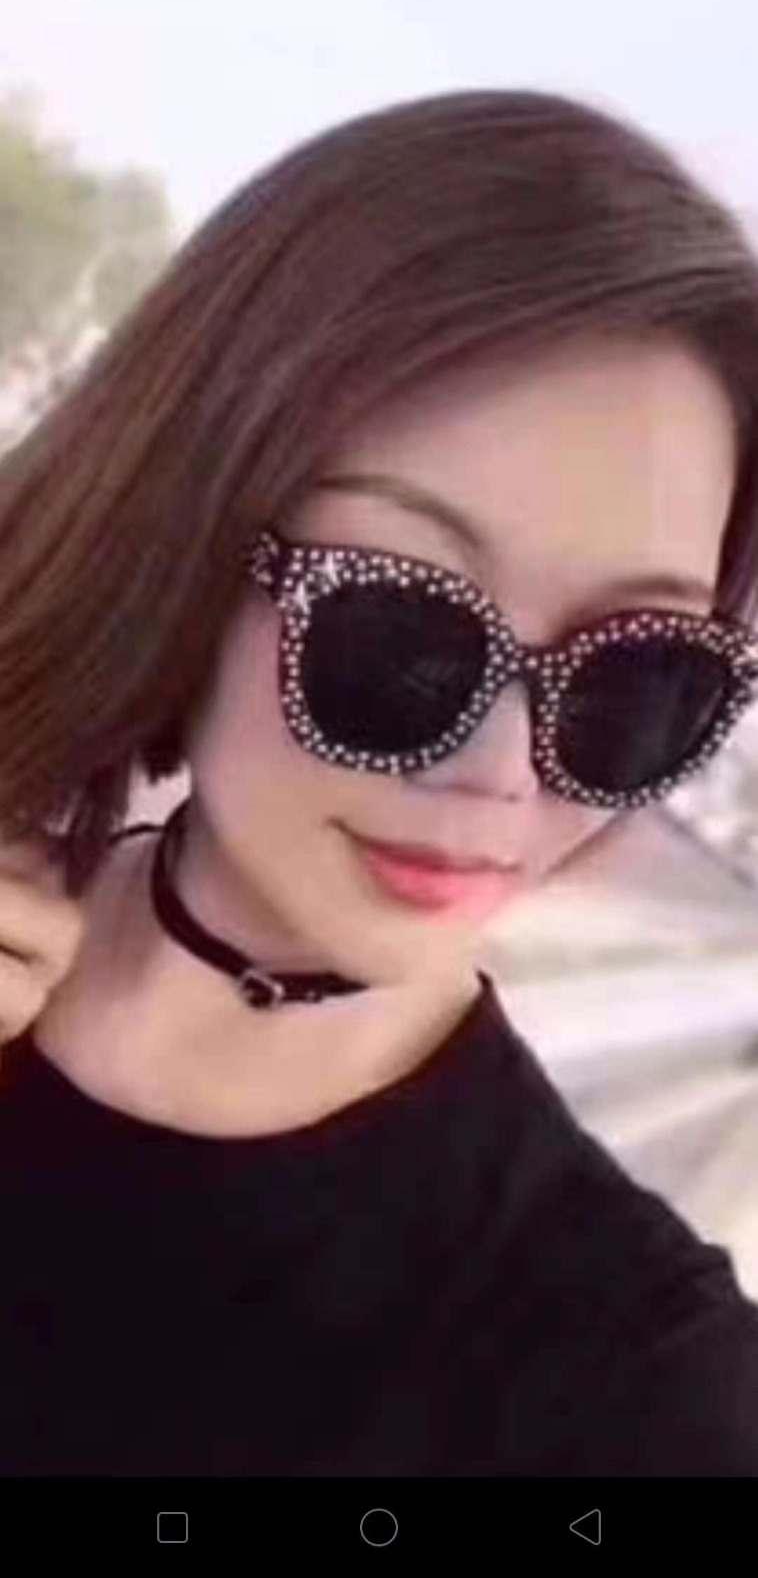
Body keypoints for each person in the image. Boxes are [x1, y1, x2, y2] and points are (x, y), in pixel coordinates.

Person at [1, 87, 758, 1478]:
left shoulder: (639, 1389)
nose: (498, 777)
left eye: (632, 677)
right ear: (187, 539)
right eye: (403, 630)